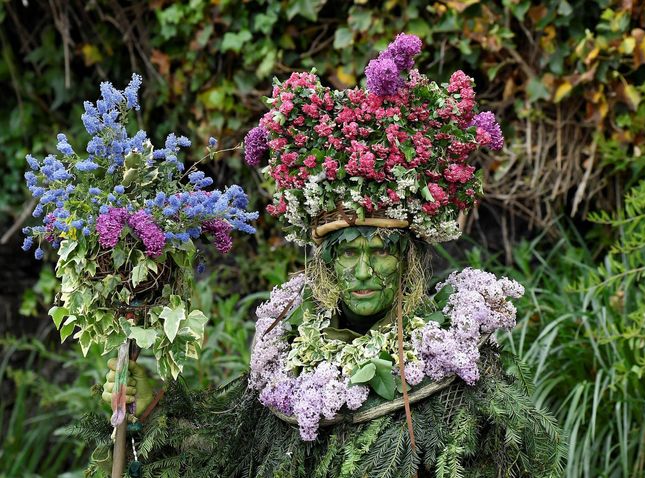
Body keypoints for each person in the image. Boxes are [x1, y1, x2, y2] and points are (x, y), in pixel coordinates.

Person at [86, 33, 565, 477]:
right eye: (347, 253)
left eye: (379, 253)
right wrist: (151, 408)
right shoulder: (289, 362)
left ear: (410, 261)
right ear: (324, 264)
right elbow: (225, 459)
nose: (361, 271)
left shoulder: (459, 365)